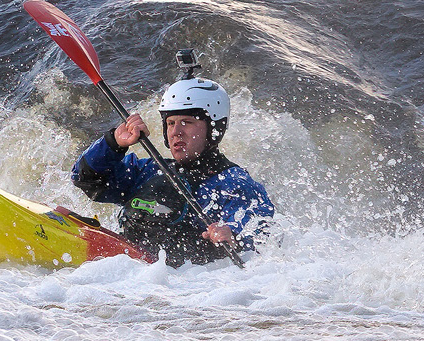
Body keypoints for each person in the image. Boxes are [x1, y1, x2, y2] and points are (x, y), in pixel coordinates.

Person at [70, 75, 273, 267]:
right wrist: (113, 143)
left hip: (190, 287)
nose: (176, 132)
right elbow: (86, 179)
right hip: (135, 279)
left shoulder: (235, 184)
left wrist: (234, 235)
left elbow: (264, 236)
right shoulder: (149, 171)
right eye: (170, 123)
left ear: (214, 129)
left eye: (187, 122)